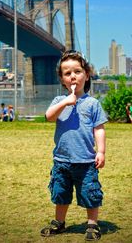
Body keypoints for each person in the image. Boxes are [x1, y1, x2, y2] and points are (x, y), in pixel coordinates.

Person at [41, 50, 108, 241]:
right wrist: (65, 103)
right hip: (61, 160)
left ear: (86, 75)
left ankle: (92, 225)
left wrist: (101, 151)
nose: (73, 76)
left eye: (77, 71)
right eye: (67, 73)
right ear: (62, 80)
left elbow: (99, 129)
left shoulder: (93, 104)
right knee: (60, 192)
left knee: (90, 192)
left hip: (86, 160)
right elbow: (49, 117)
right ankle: (59, 222)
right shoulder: (58, 101)